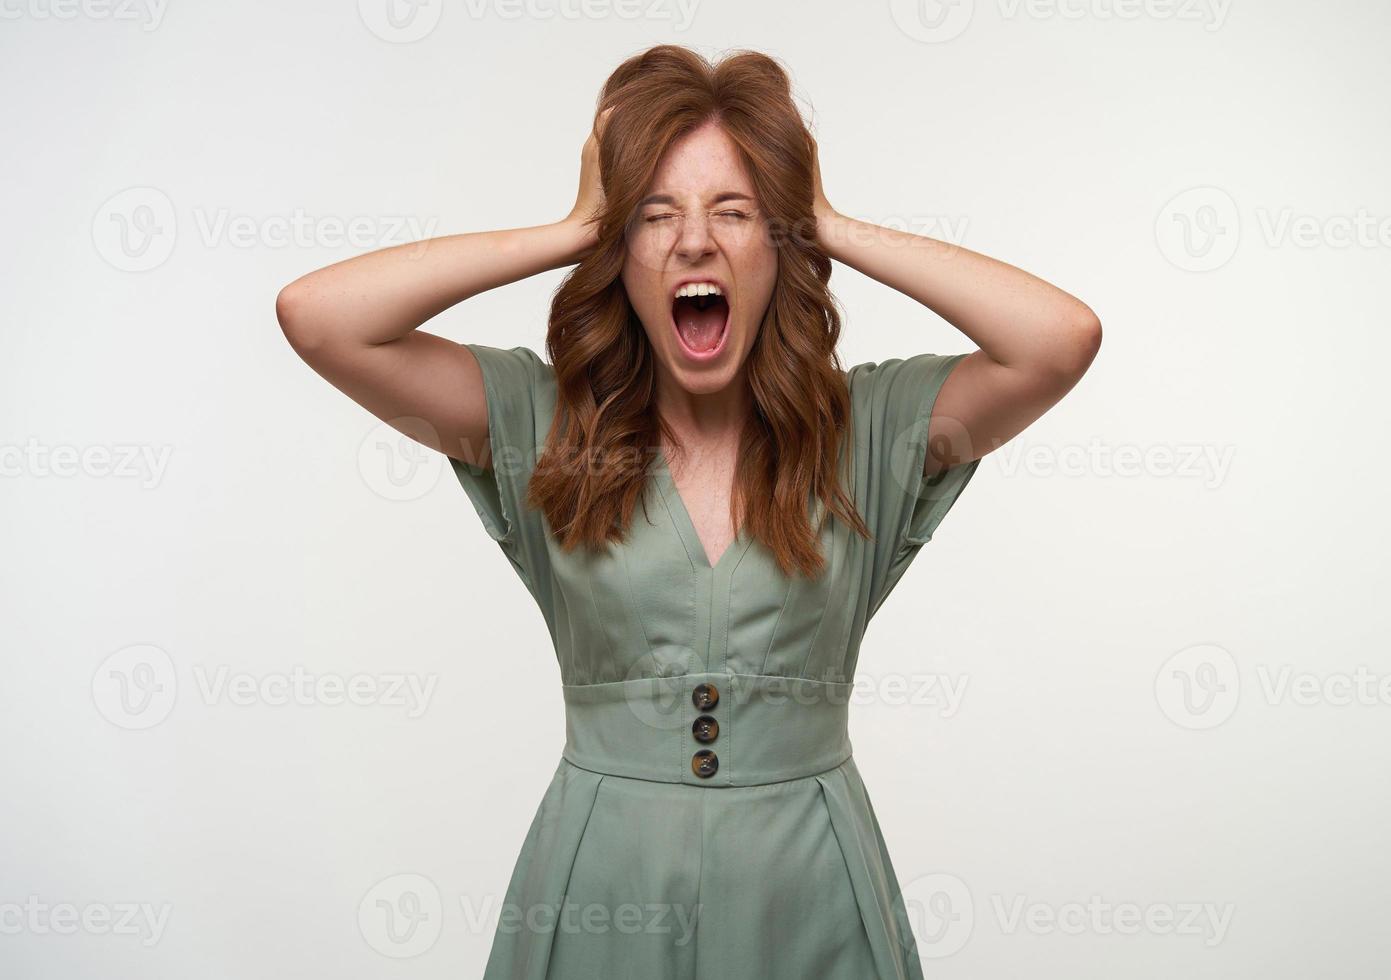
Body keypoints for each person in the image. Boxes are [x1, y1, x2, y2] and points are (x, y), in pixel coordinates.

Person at [277, 43, 1099, 980]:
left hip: (812, 896)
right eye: (655, 215)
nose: (694, 242)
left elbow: (1059, 341)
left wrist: (825, 219)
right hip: (599, 894)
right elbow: (320, 316)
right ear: (619, 254)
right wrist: (573, 224)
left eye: (736, 212)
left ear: (777, 249)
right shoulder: (543, 425)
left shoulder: (867, 433)